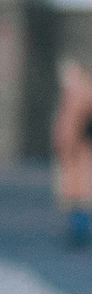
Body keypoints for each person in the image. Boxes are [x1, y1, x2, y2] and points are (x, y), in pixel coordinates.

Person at [56, 54, 92, 248]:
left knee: (81, 192)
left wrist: (68, 145)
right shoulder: (75, 93)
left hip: (79, 150)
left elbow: (74, 126)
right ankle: (77, 229)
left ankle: (79, 230)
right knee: (77, 192)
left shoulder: (80, 93)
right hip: (75, 150)